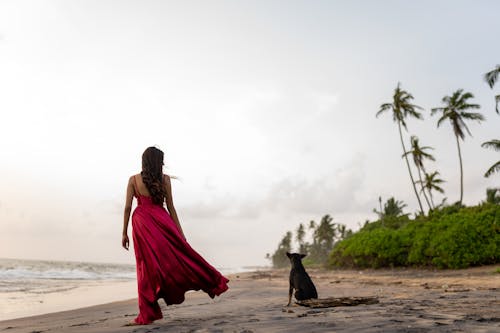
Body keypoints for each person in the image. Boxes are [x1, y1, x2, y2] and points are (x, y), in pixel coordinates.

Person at [122, 146, 229, 325]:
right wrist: (180, 234)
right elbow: (171, 206)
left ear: (144, 161)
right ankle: (212, 280)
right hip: (163, 222)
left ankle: (148, 313)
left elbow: (127, 208)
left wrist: (123, 232)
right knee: (181, 258)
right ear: (159, 162)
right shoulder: (165, 180)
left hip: (141, 223)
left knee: (145, 267)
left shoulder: (133, 180)